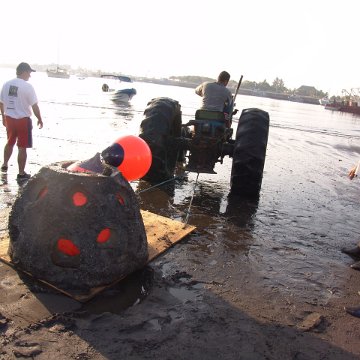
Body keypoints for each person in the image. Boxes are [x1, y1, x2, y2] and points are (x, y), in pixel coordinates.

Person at [0, 62, 43, 180]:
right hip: (22, 120)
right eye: (29, 72)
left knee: (9, 142)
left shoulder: (6, 84)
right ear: (24, 72)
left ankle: (4, 164)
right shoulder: (27, 87)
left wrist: (3, 117)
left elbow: (1, 102)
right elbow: (35, 106)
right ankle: (21, 173)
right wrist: (39, 118)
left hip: (9, 118)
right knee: (22, 147)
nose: (30, 75)